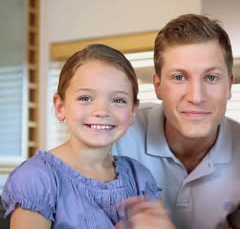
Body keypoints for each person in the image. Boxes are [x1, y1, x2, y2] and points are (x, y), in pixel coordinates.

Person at [1, 44, 174, 229]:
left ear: (132, 112)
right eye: (85, 98)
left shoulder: (139, 176)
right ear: (60, 107)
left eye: (118, 100)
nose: (101, 111)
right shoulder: (36, 178)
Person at [112, 14, 240, 229]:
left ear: (230, 85)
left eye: (211, 77)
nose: (196, 97)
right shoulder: (118, 135)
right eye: (179, 77)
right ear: (158, 86)